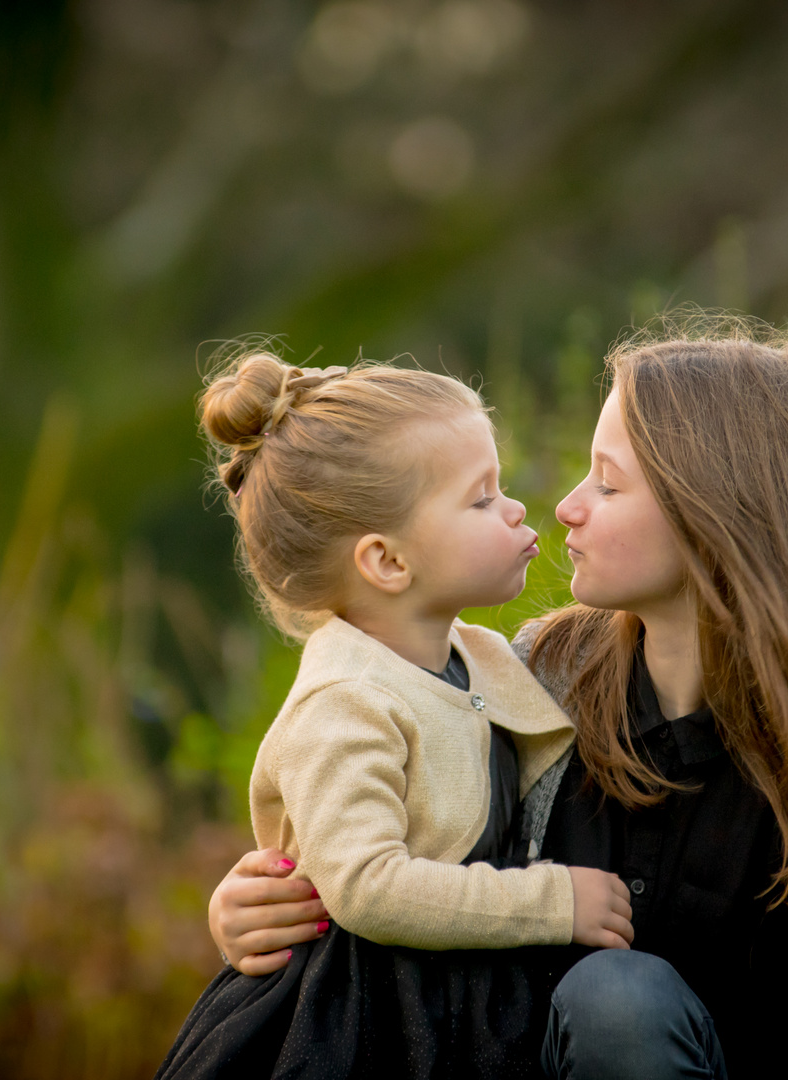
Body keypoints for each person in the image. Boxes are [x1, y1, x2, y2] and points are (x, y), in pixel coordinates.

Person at [208, 321, 788, 1080]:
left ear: (718, 515)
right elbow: (389, 847)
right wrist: (262, 904)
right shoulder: (529, 679)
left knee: (620, 1006)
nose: (565, 506)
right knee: (618, 1004)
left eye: (607, 482)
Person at [155, 351, 634, 1080]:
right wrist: (553, 900)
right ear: (385, 562)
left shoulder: (485, 658)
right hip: (357, 1025)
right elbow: (370, 887)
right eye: (481, 499)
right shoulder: (344, 703)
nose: (516, 510)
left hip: (456, 1009)